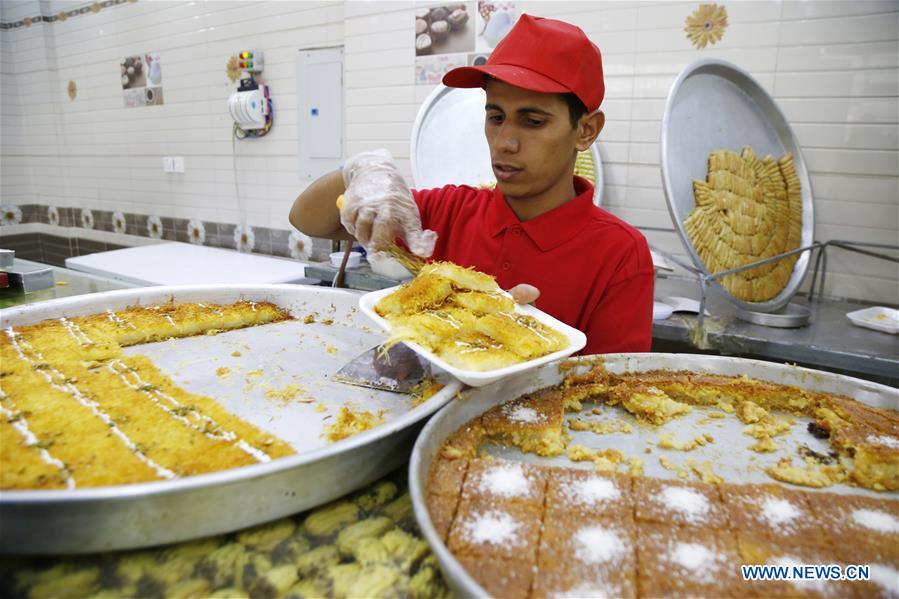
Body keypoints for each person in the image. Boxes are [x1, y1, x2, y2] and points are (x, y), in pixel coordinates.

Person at [289, 14, 654, 354]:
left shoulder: (619, 254)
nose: (504, 142)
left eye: (533, 122)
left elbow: (613, 389)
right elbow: (307, 219)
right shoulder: (447, 211)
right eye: (496, 117)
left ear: (585, 130)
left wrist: (532, 346)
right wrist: (358, 173)